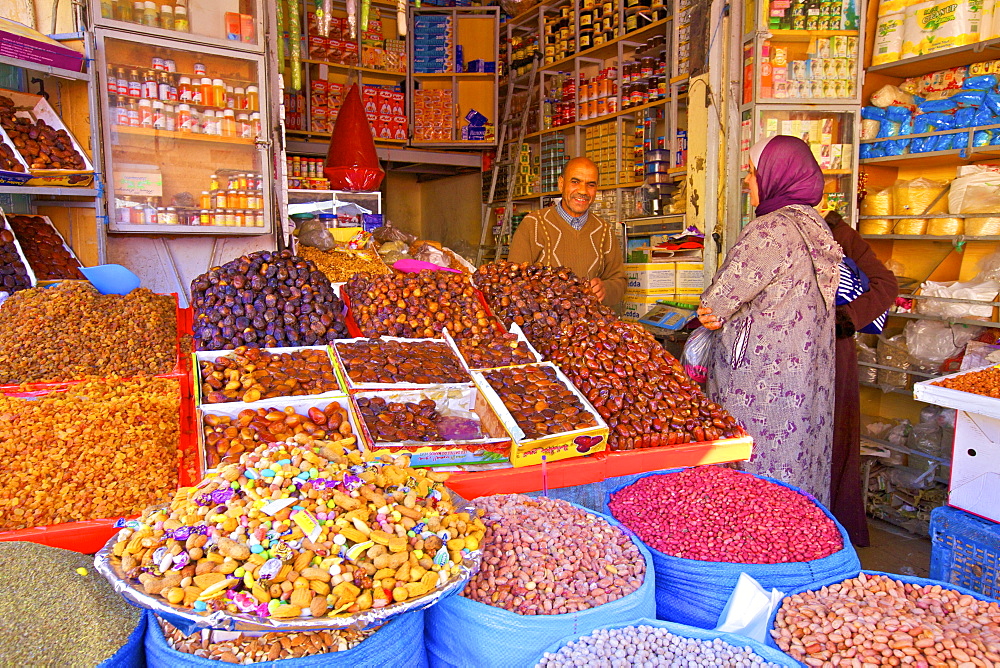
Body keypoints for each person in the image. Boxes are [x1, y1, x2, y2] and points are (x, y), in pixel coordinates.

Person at [696, 135, 843, 506]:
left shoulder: (771, 230)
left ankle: (752, 553)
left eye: (752, 172)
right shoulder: (815, 226)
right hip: (804, 380)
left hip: (763, 385)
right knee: (798, 469)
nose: (747, 181)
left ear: (777, 176)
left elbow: (715, 306)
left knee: (755, 482)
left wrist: (706, 312)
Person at [826, 209, 898, 547]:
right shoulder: (775, 231)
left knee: (834, 443)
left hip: (832, 358)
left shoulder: (840, 235)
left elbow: (886, 286)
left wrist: (846, 318)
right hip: (784, 362)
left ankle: (832, 536)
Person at [507, 157, 626, 307]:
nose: (583, 191)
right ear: (561, 184)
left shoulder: (604, 231)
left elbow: (619, 280)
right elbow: (513, 282)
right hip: (543, 326)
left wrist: (605, 289)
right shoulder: (533, 224)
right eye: (575, 182)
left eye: (590, 184)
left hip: (588, 326)